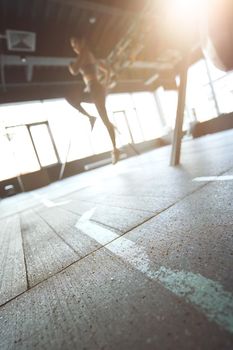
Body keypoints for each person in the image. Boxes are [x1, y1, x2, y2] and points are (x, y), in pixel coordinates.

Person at [66, 36, 120, 164]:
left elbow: (73, 70)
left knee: (105, 119)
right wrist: (105, 86)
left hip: (96, 89)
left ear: (82, 42)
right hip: (93, 89)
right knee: (71, 98)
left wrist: (69, 65)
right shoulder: (91, 56)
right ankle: (91, 118)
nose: (75, 49)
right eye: (73, 47)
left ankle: (115, 149)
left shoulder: (85, 52)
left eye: (75, 44)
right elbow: (107, 70)